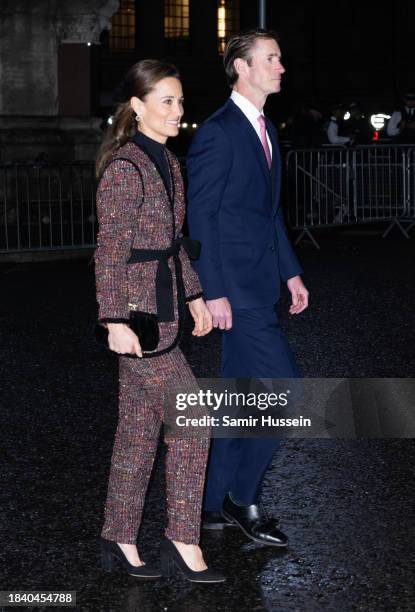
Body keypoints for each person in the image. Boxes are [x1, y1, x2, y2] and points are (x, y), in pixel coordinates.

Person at [94, 59, 225, 583]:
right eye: (166, 101)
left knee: (138, 433)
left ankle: (118, 535)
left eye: (180, 100)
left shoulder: (168, 164)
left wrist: (195, 295)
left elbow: (172, 245)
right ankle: (182, 538)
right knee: (194, 425)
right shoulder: (126, 168)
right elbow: (109, 250)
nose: (177, 110)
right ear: (138, 106)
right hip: (139, 318)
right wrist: (112, 319)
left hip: (166, 309)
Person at [187, 29, 309, 546]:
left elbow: (266, 214)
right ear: (241, 67)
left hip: (261, 283)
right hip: (235, 291)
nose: (282, 66)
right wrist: (212, 290)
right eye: (272, 58)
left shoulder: (265, 128)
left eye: (280, 57)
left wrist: (291, 271)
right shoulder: (218, 132)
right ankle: (242, 498)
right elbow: (201, 216)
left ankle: (211, 505)